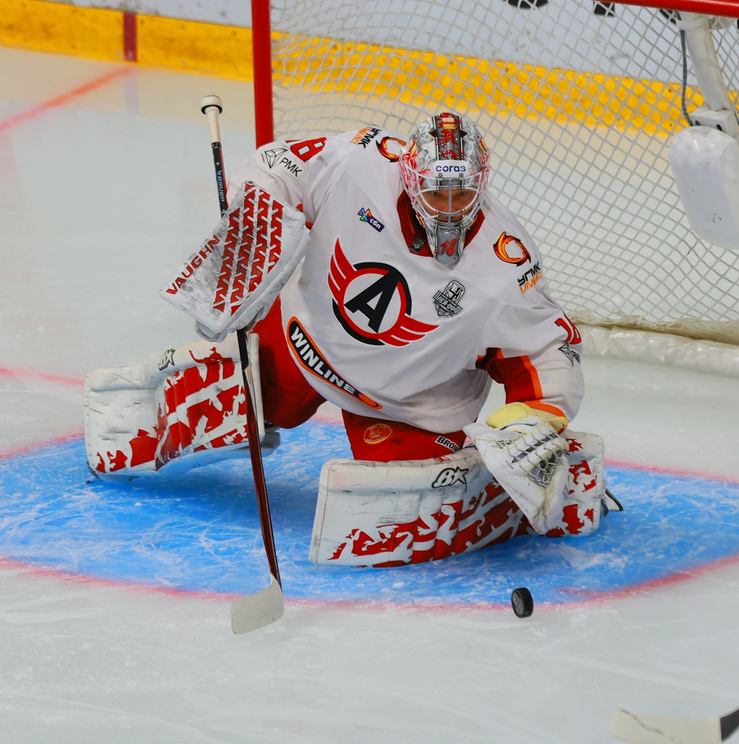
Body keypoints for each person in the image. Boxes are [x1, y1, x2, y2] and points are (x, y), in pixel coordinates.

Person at [87, 112, 604, 565]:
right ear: (408, 175)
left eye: (462, 192)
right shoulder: (360, 161)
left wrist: (539, 413)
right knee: (245, 391)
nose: (448, 207)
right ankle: (158, 415)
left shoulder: (506, 262)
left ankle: (525, 489)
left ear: (482, 184)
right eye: (435, 191)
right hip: (305, 343)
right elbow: (279, 165)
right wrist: (256, 222)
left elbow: (547, 345)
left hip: (406, 405)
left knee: (403, 507)